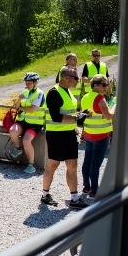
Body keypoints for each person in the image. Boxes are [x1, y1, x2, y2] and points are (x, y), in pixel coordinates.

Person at [41, 67, 86, 208]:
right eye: (76, 78)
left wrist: (79, 116)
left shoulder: (68, 93)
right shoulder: (54, 92)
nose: (77, 81)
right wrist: (76, 118)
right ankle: (45, 194)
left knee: (72, 165)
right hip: (56, 135)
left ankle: (74, 198)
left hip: (69, 134)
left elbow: (70, 113)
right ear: (66, 77)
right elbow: (56, 117)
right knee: (52, 165)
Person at [80, 74, 115, 204]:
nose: (106, 87)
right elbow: (108, 116)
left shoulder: (85, 97)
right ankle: (95, 191)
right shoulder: (100, 98)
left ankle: (86, 187)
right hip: (100, 135)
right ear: (95, 85)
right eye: (104, 85)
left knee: (87, 162)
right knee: (95, 165)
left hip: (89, 133)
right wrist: (115, 106)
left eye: (107, 84)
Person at [8, 72, 45, 174]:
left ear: (35, 83)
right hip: (22, 120)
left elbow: (33, 109)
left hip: (35, 123)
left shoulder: (39, 93)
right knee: (12, 131)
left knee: (26, 140)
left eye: (29, 83)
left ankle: (31, 165)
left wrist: (21, 108)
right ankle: (18, 148)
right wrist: (19, 99)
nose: (27, 85)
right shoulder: (24, 92)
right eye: (26, 82)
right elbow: (16, 107)